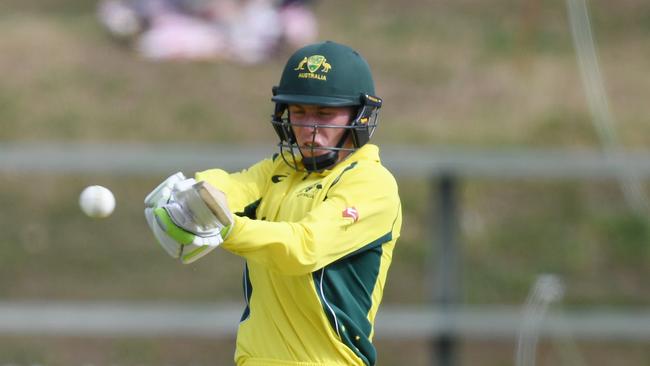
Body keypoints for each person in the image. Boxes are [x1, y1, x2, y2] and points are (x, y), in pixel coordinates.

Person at [144, 40, 402, 366]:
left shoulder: (371, 185)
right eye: (299, 112)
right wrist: (191, 196)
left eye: (325, 114)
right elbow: (232, 187)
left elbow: (303, 248)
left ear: (361, 116)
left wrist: (225, 228)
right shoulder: (279, 171)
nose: (309, 129)